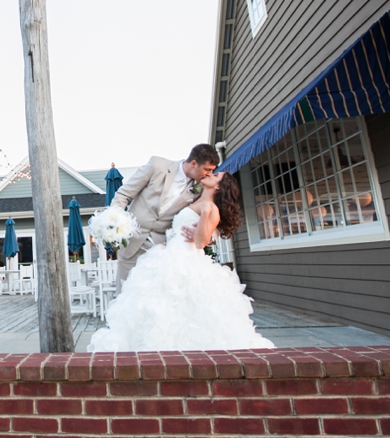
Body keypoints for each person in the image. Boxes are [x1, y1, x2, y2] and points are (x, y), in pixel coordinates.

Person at [88, 171, 274, 352]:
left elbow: (201, 241)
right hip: (168, 254)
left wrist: (203, 221)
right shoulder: (195, 199)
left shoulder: (210, 208)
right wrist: (168, 243)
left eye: (216, 175)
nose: (210, 174)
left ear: (218, 186)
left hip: (186, 261)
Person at [109, 144, 219, 294]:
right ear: (194, 164)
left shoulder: (201, 188)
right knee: (125, 297)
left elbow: (213, 214)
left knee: (154, 301)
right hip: (132, 245)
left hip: (164, 251)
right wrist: (115, 221)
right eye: (207, 169)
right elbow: (123, 195)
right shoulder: (157, 165)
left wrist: (208, 237)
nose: (209, 174)